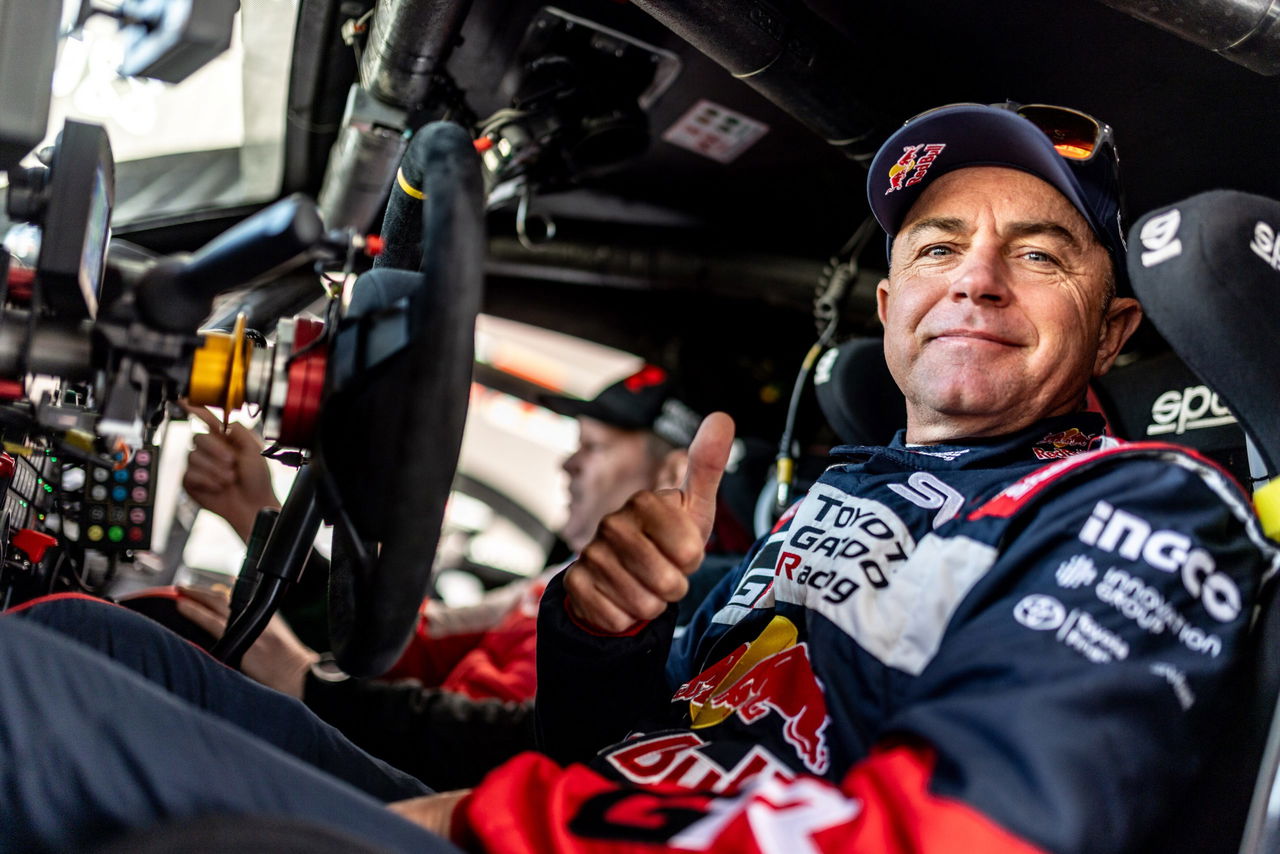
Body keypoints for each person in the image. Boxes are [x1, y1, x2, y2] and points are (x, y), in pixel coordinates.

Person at [0, 102, 1272, 854]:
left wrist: (495, 825)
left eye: (1037, 254)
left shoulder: (1141, 501)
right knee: (86, 631)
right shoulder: (846, 497)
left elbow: (968, 836)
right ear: (889, 309)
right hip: (567, 825)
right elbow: (618, 745)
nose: (974, 279)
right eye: (937, 246)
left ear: (1109, 335)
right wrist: (604, 625)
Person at [175, 365, 713, 788]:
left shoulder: (671, 619)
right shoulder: (550, 582)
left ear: (671, 473)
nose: (567, 465)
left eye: (592, 448)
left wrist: (309, 685)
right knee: (169, 625)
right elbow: (404, 644)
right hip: (375, 760)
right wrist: (257, 513)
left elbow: (525, 746)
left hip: (421, 800)